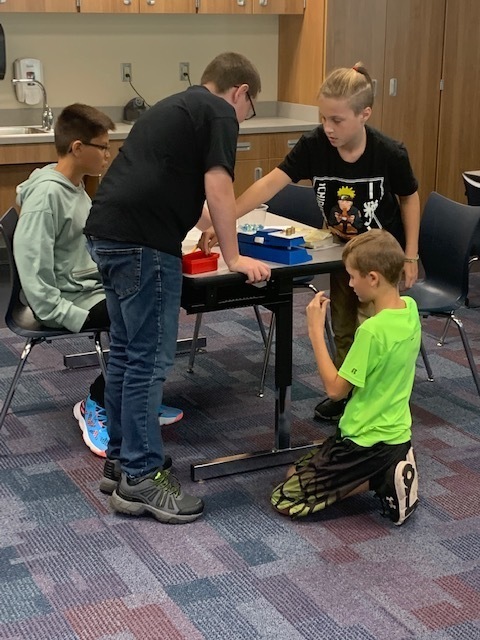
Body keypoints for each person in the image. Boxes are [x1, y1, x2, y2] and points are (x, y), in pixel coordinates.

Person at [84, 52, 271, 524]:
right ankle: (143, 477)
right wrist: (233, 256)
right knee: (149, 360)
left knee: (128, 352)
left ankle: (123, 463)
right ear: (241, 93)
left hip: (110, 233)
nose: (244, 119)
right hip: (145, 244)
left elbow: (192, 195)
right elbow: (219, 184)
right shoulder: (220, 112)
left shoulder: (176, 107)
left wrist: (213, 227)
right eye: (250, 109)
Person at [200, 62, 420, 423]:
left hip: (381, 257)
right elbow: (269, 183)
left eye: (338, 120)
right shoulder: (314, 145)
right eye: (323, 119)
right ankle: (347, 394)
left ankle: (377, 406)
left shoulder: (388, 152)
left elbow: (410, 197)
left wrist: (410, 254)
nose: (328, 128)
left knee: (376, 330)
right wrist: (227, 220)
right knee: (345, 325)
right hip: (343, 252)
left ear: (364, 114)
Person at [13, 103, 183, 460]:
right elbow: (34, 272)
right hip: (72, 301)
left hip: (89, 286)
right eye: (102, 147)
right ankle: (98, 402)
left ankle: (131, 401)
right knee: (145, 318)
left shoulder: (73, 187)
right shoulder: (48, 195)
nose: (108, 155)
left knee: (151, 300)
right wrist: (67, 314)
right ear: (77, 148)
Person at [271, 230, 421, 525]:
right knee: (293, 474)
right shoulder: (410, 309)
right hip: (395, 435)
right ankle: (387, 466)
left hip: (364, 441)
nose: (350, 284)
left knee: (285, 500)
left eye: (353, 277)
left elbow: (335, 390)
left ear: (373, 278)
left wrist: (315, 330)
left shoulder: (371, 331)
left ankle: (382, 476)